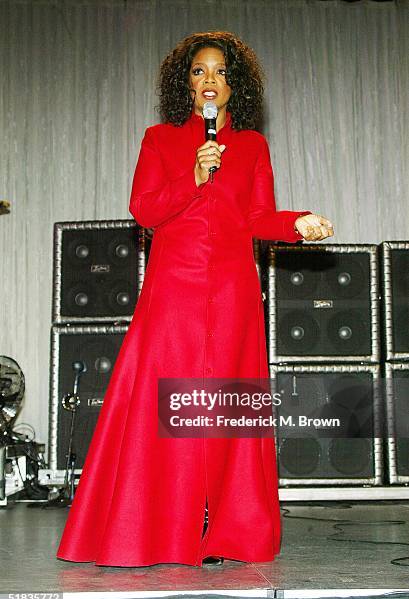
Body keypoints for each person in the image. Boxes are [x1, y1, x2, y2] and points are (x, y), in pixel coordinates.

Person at [56, 31, 334, 569]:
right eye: (200, 72)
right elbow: (144, 209)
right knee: (168, 405)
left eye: (221, 72)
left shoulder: (253, 146)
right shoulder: (159, 140)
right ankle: (164, 527)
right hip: (174, 291)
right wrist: (194, 174)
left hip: (232, 292)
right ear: (186, 84)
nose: (211, 80)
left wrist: (298, 224)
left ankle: (220, 527)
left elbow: (257, 219)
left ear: (236, 85)